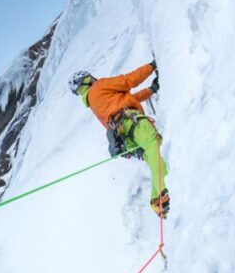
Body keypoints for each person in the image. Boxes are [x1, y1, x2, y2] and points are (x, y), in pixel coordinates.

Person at [69, 62, 170, 218]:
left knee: (154, 157)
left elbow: (129, 99)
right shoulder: (99, 86)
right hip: (133, 123)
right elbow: (128, 81)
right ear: (87, 80)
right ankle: (162, 192)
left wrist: (151, 90)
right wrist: (152, 66)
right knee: (153, 145)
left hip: (126, 136)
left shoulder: (94, 102)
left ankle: (156, 199)